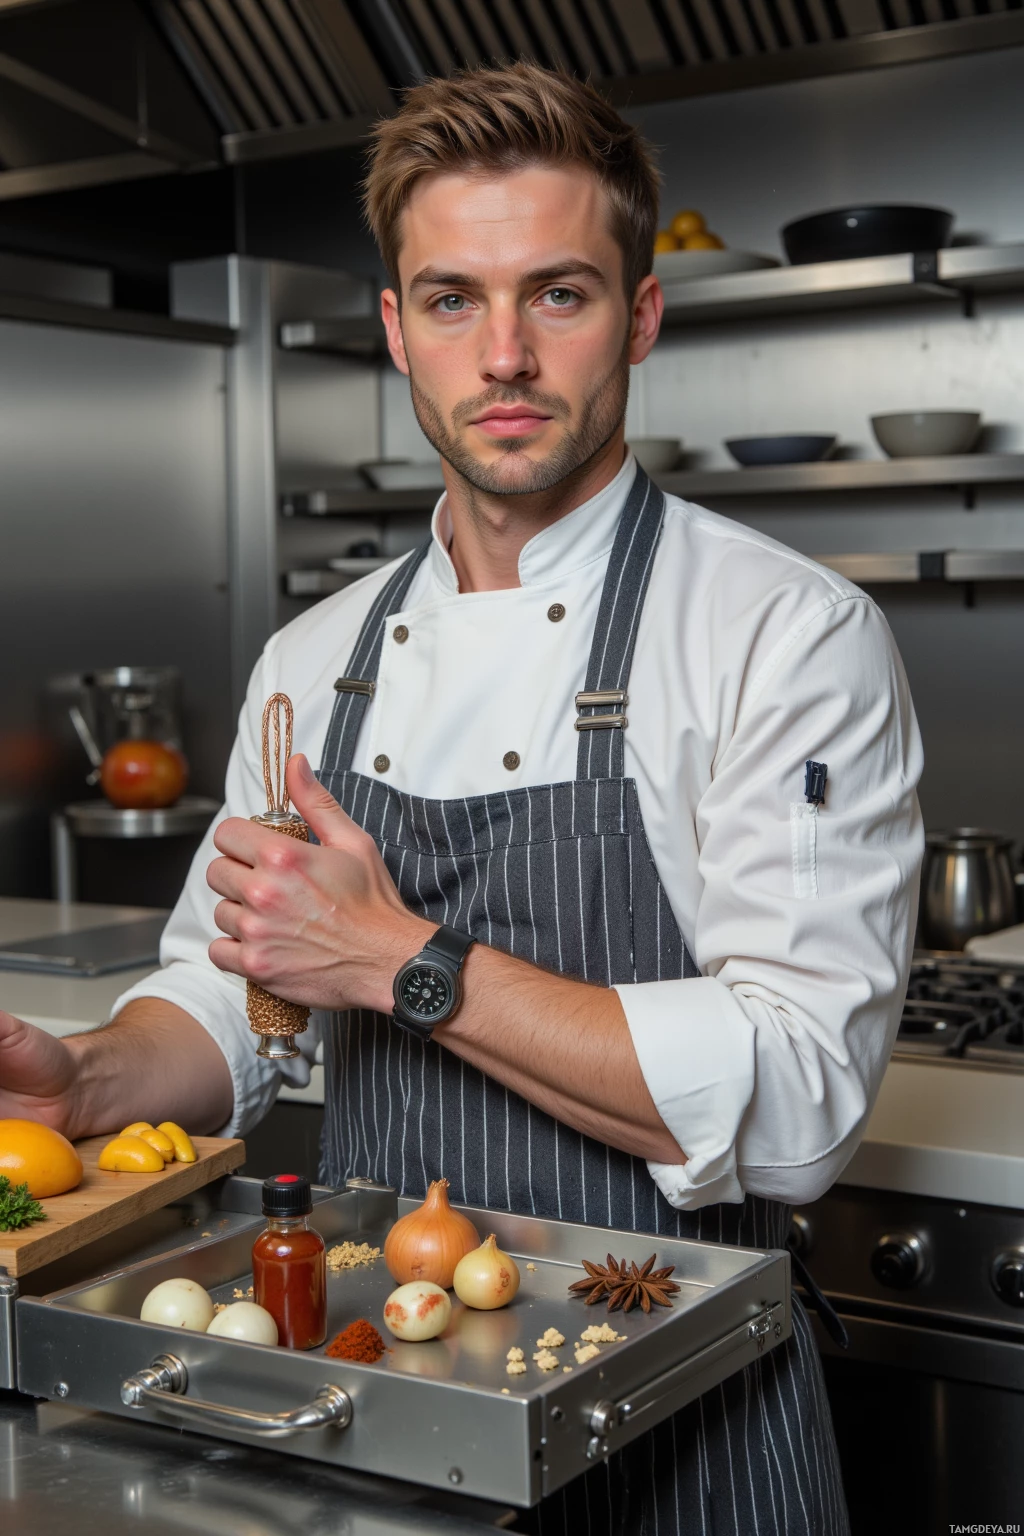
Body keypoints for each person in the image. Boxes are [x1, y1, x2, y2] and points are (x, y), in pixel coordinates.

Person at [0, 63, 922, 1534]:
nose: (503, 353)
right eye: (451, 300)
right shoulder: (317, 659)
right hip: (377, 1394)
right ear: (394, 332)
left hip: (682, 1411)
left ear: (642, 315)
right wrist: (98, 1078)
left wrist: (403, 961)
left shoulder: (781, 633)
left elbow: (801, 1100)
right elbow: (242, 993)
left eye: (557, 294)